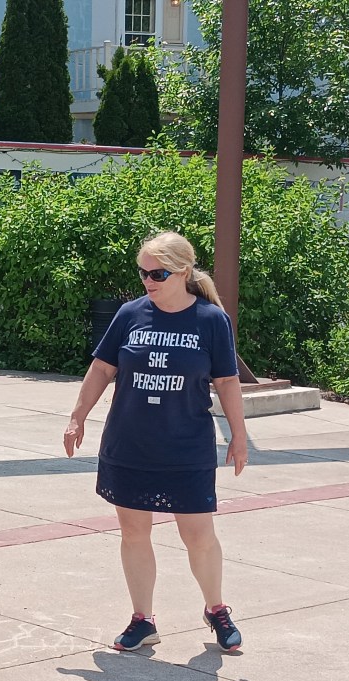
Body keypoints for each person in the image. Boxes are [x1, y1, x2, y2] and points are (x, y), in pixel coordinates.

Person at [63, 231, 248, 652]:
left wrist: (239, 436)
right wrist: (77, 416)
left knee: (198, 536)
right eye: (143, 272)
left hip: (186, 448)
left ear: (183, 272)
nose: (148, 281)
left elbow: (227, 381)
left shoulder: (210, 320)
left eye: (157, 274)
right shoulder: (130, 314)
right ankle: (143, 620)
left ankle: (216, 609)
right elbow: (102, 368)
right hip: (129, 444)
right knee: (133, 532)